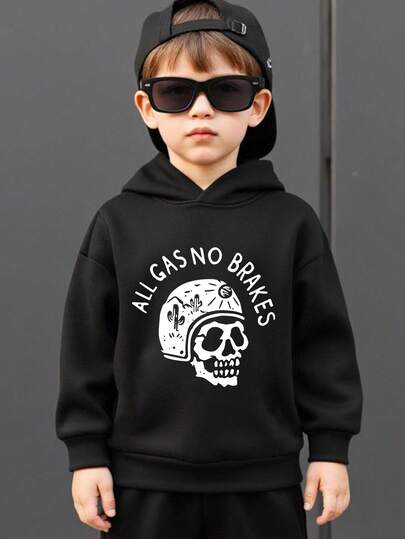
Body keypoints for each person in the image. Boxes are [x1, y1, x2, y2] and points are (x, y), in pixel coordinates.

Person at [55, 1, 363, 538]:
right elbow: (87, 348)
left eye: (227, 91)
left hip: (263, 484)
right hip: (141, 486)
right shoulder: (117, 223)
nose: (201, 110)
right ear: (147, 107)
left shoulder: (291, 224)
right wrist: (86, 454)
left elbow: (323, 345)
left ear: (258, 105)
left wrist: (330, 448)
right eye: (176, 93)